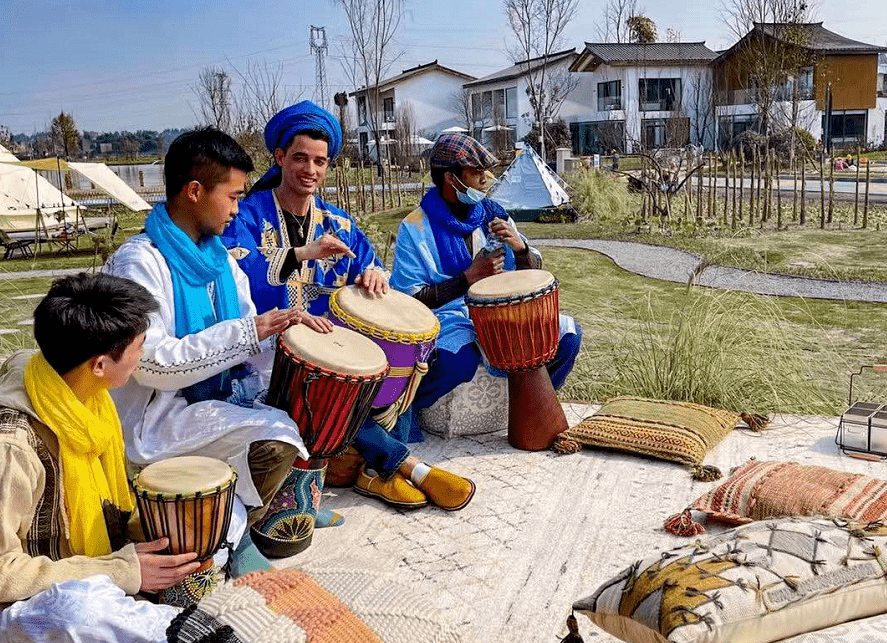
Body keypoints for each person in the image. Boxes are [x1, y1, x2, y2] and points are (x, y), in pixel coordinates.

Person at [223, 102, 475, 512]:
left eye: (320, 161)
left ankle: (376, 471)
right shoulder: (248, 214)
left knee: (387, 363)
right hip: (267, 351)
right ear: (280, 157)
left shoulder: (338, 222)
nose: (310, 170)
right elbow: (238, 265)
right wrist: (304, 253)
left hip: (336, 349)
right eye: (300, 158)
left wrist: (374, 274)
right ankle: (406, 467)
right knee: (329, 387)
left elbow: (369, 263)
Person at [105, 127, 334, 557]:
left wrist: (287, 335)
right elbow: (151, 364)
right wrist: (252, 332)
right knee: (276, 439)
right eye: (231, 196)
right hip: (158, 417)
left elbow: (249, 336)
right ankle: (238, 531)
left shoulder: (220, 261)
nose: (237, 208)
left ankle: (267, 507)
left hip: (214, 397)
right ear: (194, 191)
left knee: (310, 393)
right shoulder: (139, 263)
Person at [0, 273, 202, 643]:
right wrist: (121, 573)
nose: (142, 354)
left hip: (76, 571)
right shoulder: (13, 448)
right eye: (138, 346)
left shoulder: (78, 391)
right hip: (19, 618)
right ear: (99, 364)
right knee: (79, 611)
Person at [391, 133, 582, 412]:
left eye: (485, 171)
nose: (485, 178)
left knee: (568, 334)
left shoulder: (493, 214)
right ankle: (407, 410)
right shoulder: (415, 228)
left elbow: (529, 274)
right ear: (450, 178)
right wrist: (468, 279)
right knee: (459, 360)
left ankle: (532, 408)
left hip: (500, 312)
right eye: (475, 171)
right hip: (447, 317)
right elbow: (408, 301)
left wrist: (520, 248)